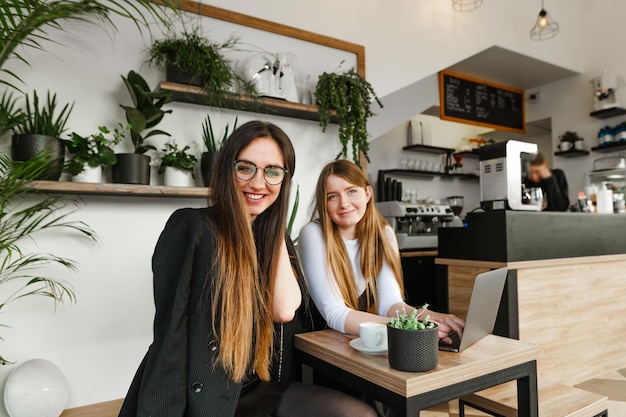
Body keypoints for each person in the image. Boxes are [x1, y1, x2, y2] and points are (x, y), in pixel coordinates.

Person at [118, 122, 376, 417]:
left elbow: (284, 310)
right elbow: (170, 336)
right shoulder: (193, 227)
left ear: (284, 179)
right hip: (208, 398)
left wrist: (277, 227)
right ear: (228, 169)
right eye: (246, 168)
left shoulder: (275, 241)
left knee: (359, 413)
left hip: (258, 388)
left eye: (272, 172)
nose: (258, 183)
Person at [298, 160, 464, 343]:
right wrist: (409, 326)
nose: (344, 203)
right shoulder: (313, 234)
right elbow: (334, 314)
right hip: (317, 341)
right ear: (324, 202)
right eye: (332, 196)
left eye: (351, 191)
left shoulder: (383, 234)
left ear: (367, 193)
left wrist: (432, 317)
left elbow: (389, 304)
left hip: (353, 340)